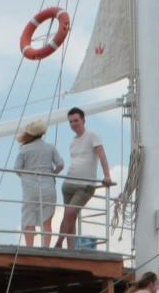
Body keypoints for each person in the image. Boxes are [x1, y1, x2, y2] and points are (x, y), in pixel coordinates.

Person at [55, 106, 114, 248]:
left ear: (83, 120)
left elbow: (102, 156)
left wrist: (107, 176)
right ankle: (70, 249)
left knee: (70, 212)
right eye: (70, 122)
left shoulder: (92, 135)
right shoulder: (72, 141)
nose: (73, 124)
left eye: (76, 120)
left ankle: (58, 242)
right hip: (68, 183)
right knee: (70, 217)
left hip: (85, 185)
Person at [13, 119, 64, 247]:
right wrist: (53, 173)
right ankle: (45, 247)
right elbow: (61, 164)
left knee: (28, 218)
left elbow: (17, 168)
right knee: (47, 221)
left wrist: (25, 176)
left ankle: (29, 247)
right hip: (48, 187)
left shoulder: (24, 149)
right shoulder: (50, 147)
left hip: (30, 188)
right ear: (42, 133)